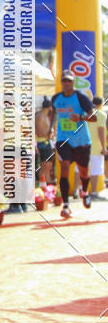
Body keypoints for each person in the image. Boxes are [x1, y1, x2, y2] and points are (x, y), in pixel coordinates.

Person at [50, 70, 95, 219]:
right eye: (64, 81)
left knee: (83, 171)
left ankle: (85, 191)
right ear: (61, 82)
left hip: (81, 140)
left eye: (69, 81)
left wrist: (80, 117)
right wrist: (51, 128)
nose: (67, 83)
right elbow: (53, 114)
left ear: (73, 82)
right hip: (63, 139)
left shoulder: (81, 97)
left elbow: (93, 117)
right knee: (64, 167)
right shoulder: (56, 98)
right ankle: (66, 205)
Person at [88, 96, 107, 200]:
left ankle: (81, 191)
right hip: (96, 147)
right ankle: (94, 192)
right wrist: (104, 147)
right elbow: (101, 131)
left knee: (81, 170)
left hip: (84, 146)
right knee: (95, 171)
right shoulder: (101, 115)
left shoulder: (86, 114)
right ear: (101, 104)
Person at [35, 97, 55, 186]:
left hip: (46, 143)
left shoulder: (45, 116)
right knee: (44, 168)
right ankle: (43, 188)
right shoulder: (39, 116)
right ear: (50, 107)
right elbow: (39, 133)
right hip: (42, 143)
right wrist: (48, 135)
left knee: (48, 167)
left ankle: (47, 188)